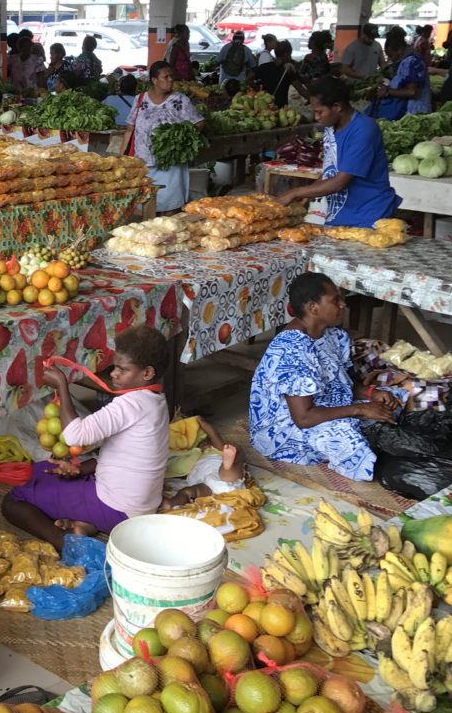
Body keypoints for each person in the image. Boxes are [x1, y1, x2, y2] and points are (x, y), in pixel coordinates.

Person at [1, 325, 170, 548]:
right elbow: (127, 456)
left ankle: (64, 543)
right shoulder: (156, 400)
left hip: (117, 508)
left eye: (122, 369)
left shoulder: (129, 404)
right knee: (42, 469)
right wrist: (81, 469)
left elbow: (74, 437)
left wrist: (62, 386)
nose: (113, 374)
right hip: (137, 503)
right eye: (114, 367)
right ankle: (83, 524)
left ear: (147, 373)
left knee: (13, 501)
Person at [249, 272, 398, 481]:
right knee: (345, 436)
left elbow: (343, 384)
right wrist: (361, 409)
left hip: (325, 406)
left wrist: (371, 393)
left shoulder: (333, 335)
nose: (343, 304)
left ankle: (375, 438)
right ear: (313, 307)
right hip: (286, 430)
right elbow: (303, 418)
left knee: (394, 397)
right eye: (335, 300)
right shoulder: (292, 350)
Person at [277, 76, 399, 227]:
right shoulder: (331, 127)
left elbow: (340, 182)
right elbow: (331, 169)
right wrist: (305, 198)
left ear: (337, 107)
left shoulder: (363, 130)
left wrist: (295, 192)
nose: (316, 117)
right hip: (341, 215)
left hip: (368, 216)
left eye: (319, 112)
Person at [121, 60, 205, 213]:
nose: (171, 80)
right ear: (154, 80)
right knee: (143, 209)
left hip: (170, 164)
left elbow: (199, 123)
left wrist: (180, 139)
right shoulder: (140, 99)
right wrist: (122, 158)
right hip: (143, 163)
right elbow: (129, 129)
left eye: (172, 76)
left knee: (170, 209)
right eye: (166, 77)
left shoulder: (180, 100)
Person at [162, 418, 246, 509]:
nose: (202, 444)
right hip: (207, 485)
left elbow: (214, 435)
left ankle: (229, 465)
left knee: (228, 473)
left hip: (218, 474)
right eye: (199, 443)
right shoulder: (193, 458)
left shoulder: (216, 450)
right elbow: (180, 471)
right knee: (186, 492)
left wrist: (201, 421)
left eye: (204, 441)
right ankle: (171, 503)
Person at [371, 30, 430, 120]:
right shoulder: (409, 59)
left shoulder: (410, 62)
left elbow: (412, 92)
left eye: (391, 55)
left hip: (414, 114)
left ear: (399, 50)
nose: (391, 59)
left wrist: (387, 92)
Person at [255, 40, 306, 108]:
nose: (290, 57)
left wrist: (258, 92)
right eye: (290, 54)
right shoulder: (288, 71)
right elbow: (301, 90)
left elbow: (249, 79)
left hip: (264, 107)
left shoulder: (264, 66)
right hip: (280, 109)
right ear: (286, 54)